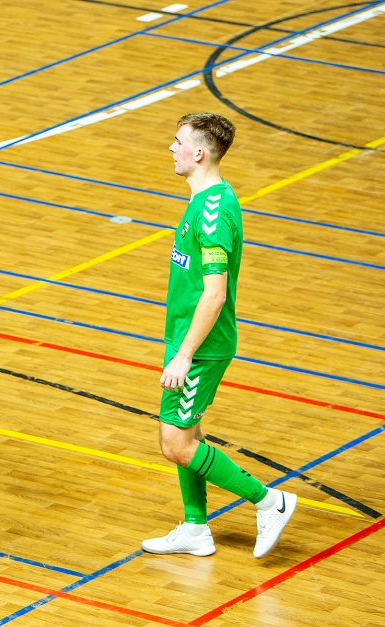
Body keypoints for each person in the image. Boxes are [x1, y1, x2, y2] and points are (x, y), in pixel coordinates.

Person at [142, 113, 296, 559]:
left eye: (178, 142)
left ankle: (271, 501)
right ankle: (194, 528)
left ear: (199, 153)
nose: (171, 148)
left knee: (175, 444)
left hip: (201, 348)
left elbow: (215, 291)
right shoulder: (206, 201)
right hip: (187, 340)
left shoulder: (212, 215)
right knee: (187, 434)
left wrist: (185, 354)